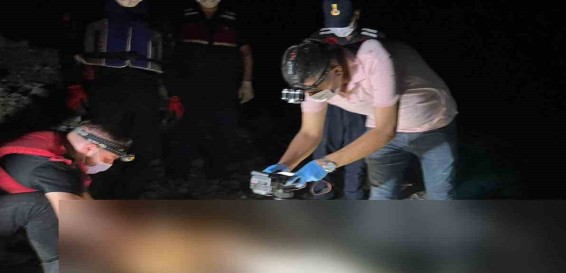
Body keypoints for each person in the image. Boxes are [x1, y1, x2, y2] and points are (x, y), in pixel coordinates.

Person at [264, 31, 458, 200]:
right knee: (381, 195)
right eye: (306, 91)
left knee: (440, 195)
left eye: (315, 90)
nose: (311, 96)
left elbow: (385, 131)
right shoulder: (312, 80)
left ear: (336, 70)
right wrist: (284, 166)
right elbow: (309, 133)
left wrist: (324, 164)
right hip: (378, 130)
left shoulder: (372, 57)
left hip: (432, 126)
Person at [0, 121, 133, 273]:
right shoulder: (51, 168)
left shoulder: (56, 143)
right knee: (44, 207)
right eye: (109, 159)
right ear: (90, 148)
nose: (108, 164)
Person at [60, 0, 173, 199]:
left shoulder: (158, 16)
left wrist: (173, 94)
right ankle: (97, 195)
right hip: (105, 83)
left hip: (147, 86)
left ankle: (130, 196)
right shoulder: (91, 11)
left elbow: (171, 58)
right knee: (101, 141)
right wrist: (74, 85)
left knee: (143, 142)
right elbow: (70, 48)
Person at [300, 0, 386, 200]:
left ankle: (354, 196)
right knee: (323, 148)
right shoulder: (317, 38)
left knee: (357, 152)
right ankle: (323, 196)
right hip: (330, 103)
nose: (338, 30)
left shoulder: (373, 38)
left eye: (343, 22)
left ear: (356, 15)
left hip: (362, 105)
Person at [164, 0, 254, 180]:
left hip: (224, 85)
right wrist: (169, 86)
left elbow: (246, 52)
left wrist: (247, 83)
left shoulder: (235, 16)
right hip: (188, 84)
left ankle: (217, 172)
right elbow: (169, 50)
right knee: (183, 127)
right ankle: (177, 173)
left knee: (223, 128)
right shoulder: (181, 14)